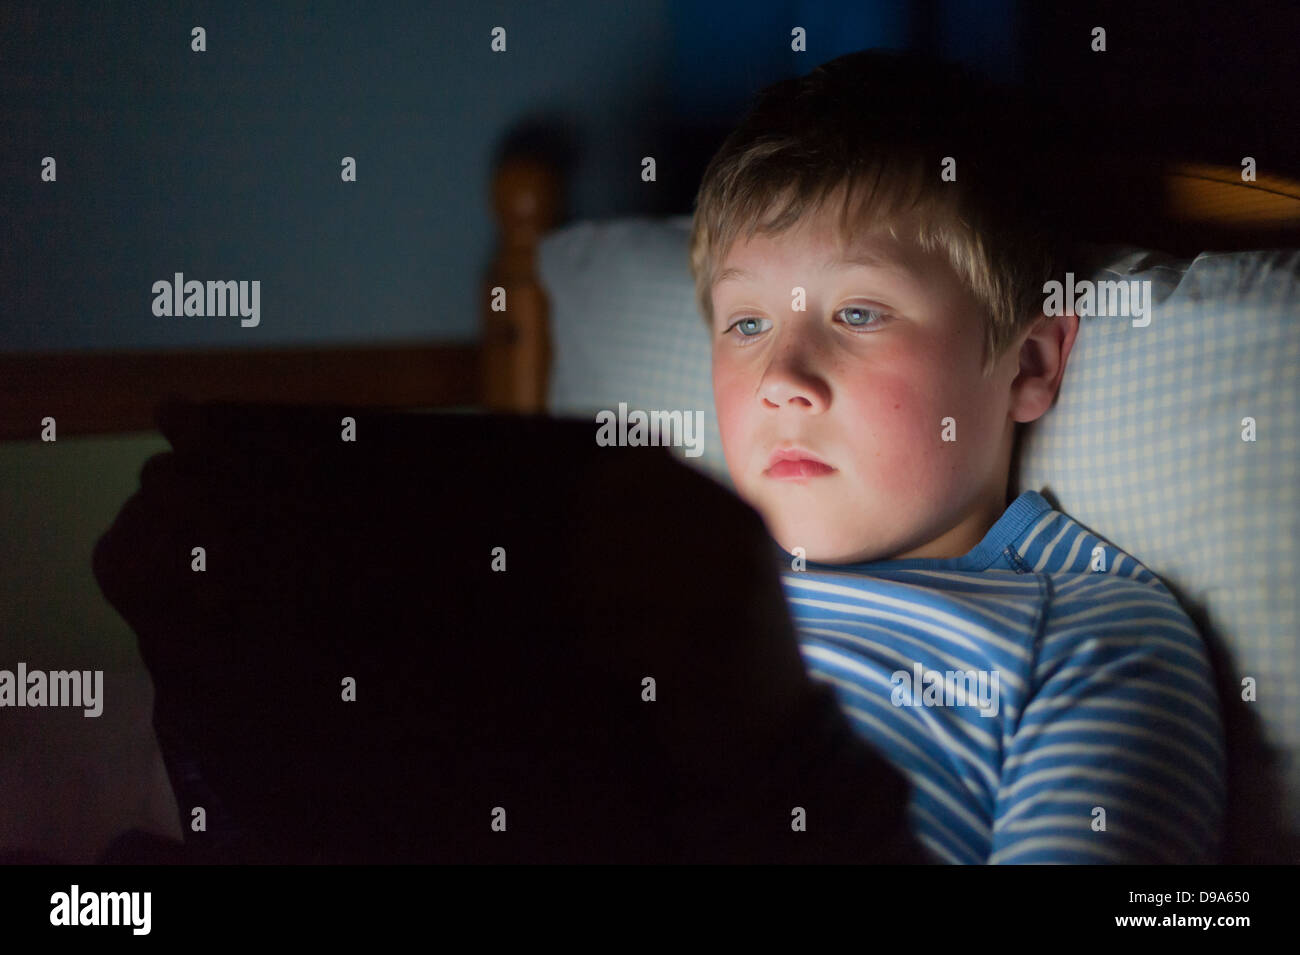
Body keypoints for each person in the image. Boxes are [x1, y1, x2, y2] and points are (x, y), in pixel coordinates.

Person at [688, 49, 1226, 863]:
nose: (782, 380)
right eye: (747, 323)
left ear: (1032, 362)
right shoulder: (666, 575)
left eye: (860, 311)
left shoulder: (1085, 639)